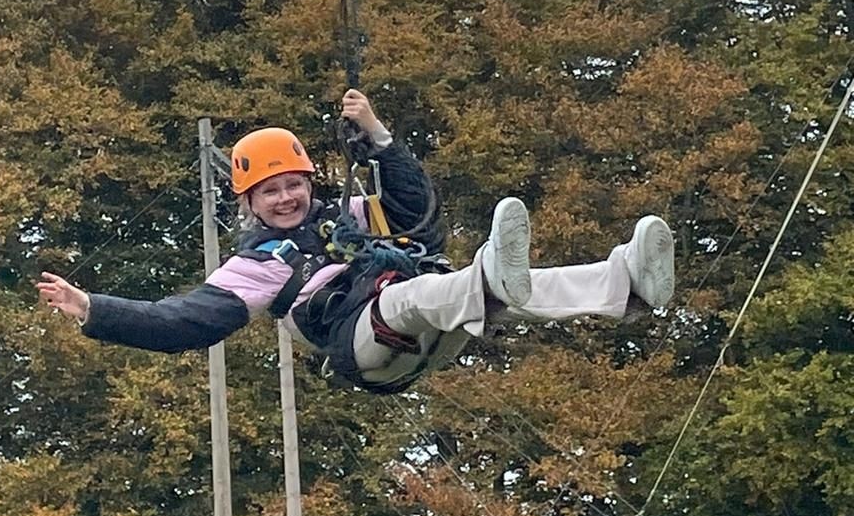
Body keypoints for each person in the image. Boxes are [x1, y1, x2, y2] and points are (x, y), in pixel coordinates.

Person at [37, 90, 676, 394]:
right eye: (269, 192)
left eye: (293, 185)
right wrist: (95, 309)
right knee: (419, 294)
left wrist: (378, 135)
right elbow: (183, 323)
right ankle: (486, 280)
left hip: (425, 326)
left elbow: (413, 211)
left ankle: (625, 283)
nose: (286, 199)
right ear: (249, 203)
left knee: (498, 288)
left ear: (309, 183)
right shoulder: (256, 265)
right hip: (367, 347)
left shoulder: (345, 217)